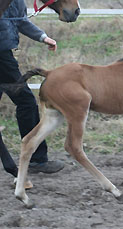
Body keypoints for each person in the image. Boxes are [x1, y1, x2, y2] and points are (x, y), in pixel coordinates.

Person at [0, 0, 64, 175]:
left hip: (6, 55)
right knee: (26, 101)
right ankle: (36, 159)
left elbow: (20, 21)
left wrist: (43, 37)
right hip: (3, 58)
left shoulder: (17, 2)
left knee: (26, 101)